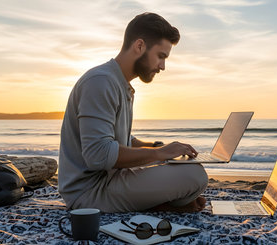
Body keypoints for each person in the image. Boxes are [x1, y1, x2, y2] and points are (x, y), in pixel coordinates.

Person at [58, 13, 208, 213]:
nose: (163, 66)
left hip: (110, 180)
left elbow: (120, 139)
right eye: (161, 56)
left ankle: (161, 203)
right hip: (90, 193)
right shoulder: (100, 82)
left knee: (190, 170)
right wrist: (158, 154)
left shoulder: (120, 84)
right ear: (139, 46)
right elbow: (98, 155)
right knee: (194, 176)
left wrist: (160, 148)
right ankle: (161, 205)